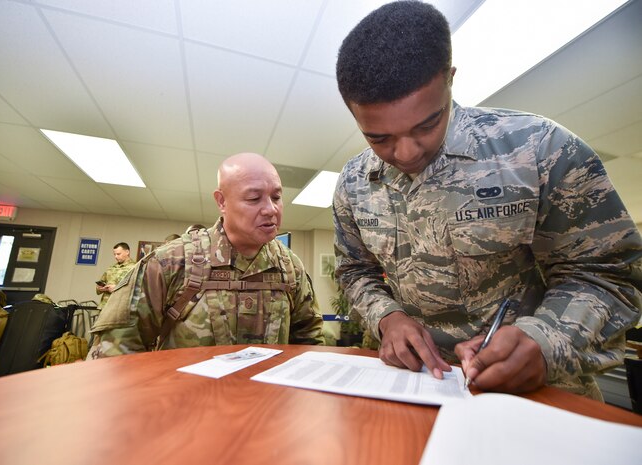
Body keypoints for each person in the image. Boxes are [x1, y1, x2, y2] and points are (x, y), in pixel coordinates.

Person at [332, 1, 642, 399]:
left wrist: (545, 340)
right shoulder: (354, 182)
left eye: (427, 124)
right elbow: (355, 272)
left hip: (538, 394)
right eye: (379, 138)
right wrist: (386, 316)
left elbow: (609, 274)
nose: (406, 153)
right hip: (418, 389)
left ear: (450, 80)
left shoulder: (539, 149)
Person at [87, 152, 323, 358]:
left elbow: (309, 340)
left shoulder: (290, 267)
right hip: (186, 405)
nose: (271, 209)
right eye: (254, 198)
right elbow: (116, 349)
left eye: (276, 197)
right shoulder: (172, 261)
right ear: (221, 202)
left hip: (267, 405)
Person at [95, 242, 136, 309]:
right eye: (114, 254)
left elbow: (136, 288)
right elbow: (100, 286)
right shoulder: (111, 268)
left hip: (120, 307)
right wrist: (100, 288)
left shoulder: (135, 267)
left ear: (127, 252)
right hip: (105, 306)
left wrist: (116, 288)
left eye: (118, 254)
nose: (116, 256)